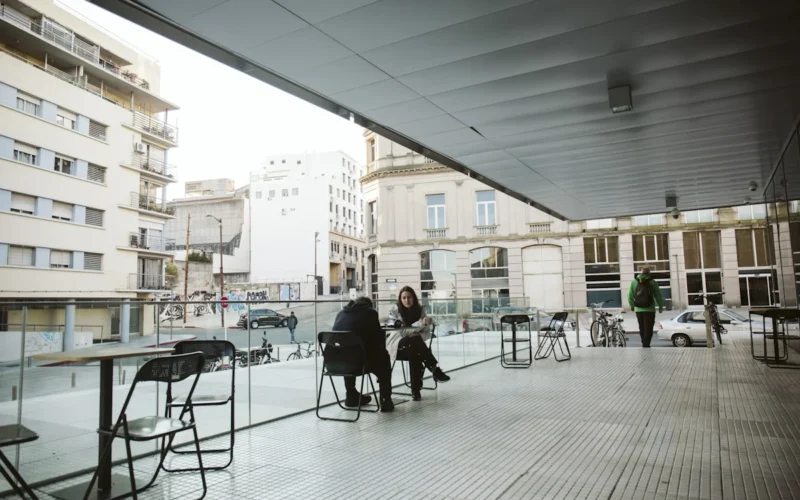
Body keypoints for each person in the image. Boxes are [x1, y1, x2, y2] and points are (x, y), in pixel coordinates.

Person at [329, 296, 395, 412]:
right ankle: (385, 400)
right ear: (369, 306)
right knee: (384, 358)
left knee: (347, 354)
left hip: (333, 363)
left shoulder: (341, 314)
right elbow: (378, 341)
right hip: (358, 363)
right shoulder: (370, 313)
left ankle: (351, 395)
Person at [388, 286, 450, 401]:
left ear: (414, 298)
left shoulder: (420, 310)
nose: (407, 300)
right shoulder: (395, 312)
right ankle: (434, 369)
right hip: (398, 345)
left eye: (409, 297)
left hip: (414, 346)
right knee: (414, 344)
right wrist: (421, 324)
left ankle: (415, 391)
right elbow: (402, 332)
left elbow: (426, 332)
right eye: (404, 298)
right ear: (400, 299)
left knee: (414, 350)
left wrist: (421, 327)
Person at [627, 267, 665, 348]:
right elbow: (658, 295)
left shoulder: (634, 282)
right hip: (649, 309)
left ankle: (643, 342)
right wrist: (661, 306)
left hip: (638, 309)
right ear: (649, 273)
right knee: (649, 327)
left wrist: (632, 306)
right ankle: (646, 343)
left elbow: (629, 295)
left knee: (641, 327)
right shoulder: (652, 282)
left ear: (640, 273)